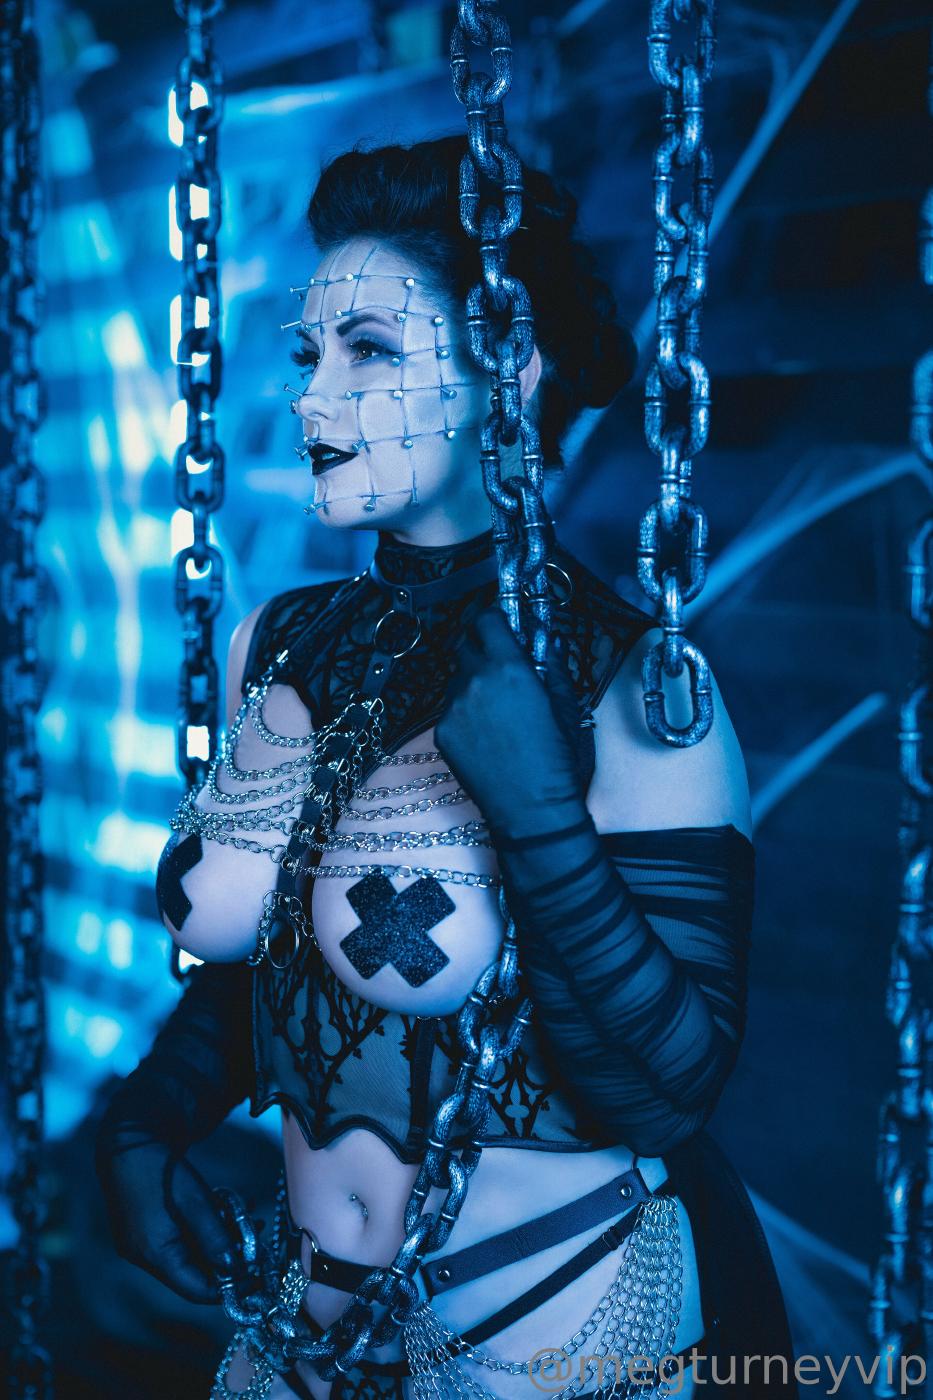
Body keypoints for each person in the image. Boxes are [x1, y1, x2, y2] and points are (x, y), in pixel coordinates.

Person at [95, 136, 798, 1399]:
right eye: (308, 355)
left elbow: (670, 1091)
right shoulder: (281, 639)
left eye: (367, 350)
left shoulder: (637, 686)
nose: (312, 399)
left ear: (506, 367)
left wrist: (537, 810)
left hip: (563, 1335)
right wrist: (151, 1115)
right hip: (305, 1334)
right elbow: (288, 963)